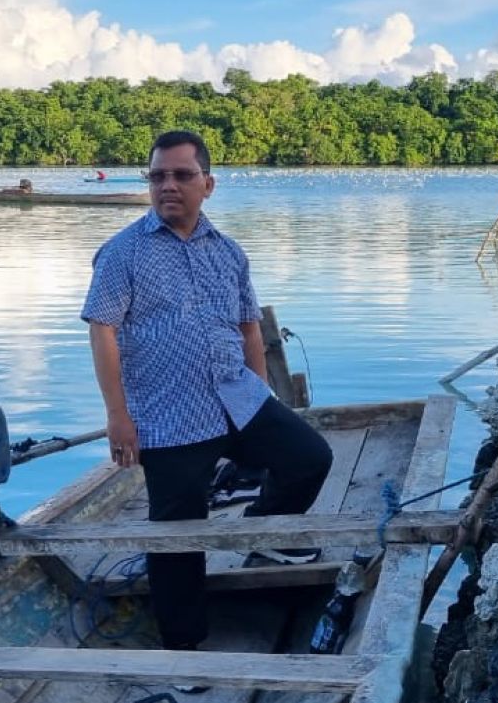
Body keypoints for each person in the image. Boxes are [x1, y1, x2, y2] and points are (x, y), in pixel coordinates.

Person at [81, 130, 333, 655]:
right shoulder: (122, 254)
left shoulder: (229, 253)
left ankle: (264, 534)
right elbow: (102, 330)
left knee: (309, 456)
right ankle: (184, 646)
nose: (167, 185)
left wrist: (262, 396)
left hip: (236, 398)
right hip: (167, 413)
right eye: (157, 176)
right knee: (177, 536)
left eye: (181, 175)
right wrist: (117, 416)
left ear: (208, 184)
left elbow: (248, 328)